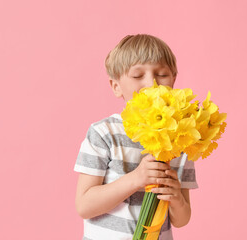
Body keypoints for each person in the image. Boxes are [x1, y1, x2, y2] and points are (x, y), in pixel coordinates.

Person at [74, 34, 198, 240]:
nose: (152, 82)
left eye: (162, 74)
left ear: (174, 81)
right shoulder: (104, 134)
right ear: (116, 86)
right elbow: (84, 206)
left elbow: (182, 219)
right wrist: (136, 179)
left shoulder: (182, 139)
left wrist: (176, 198)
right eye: (138, 75)